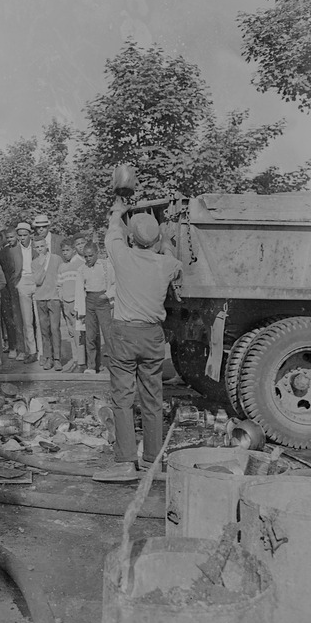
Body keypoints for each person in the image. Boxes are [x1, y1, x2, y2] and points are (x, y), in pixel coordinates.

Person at [96, 204, 183, 482]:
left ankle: (125, 462)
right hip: (152, 335)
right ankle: (153, 460)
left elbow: (113, 234)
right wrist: (166, 241)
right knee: (152, 398)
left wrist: (118, 212)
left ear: (132, 238)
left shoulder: (122, 256)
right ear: (155, 240)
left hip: (124, 333)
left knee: (122, 398)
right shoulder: (167, 263)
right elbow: (171, 256)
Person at [75, 241, 115, 375]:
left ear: (97, 254)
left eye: (90, 256)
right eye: (85, 256)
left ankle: (115, 366)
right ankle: (92, 366)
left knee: (108, 334)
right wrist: (80, 310)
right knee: (90, 335)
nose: (88, 259)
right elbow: (79, 290)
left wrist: (107, 295)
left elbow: (115, 283)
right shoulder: (81, 269)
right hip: (89, 301)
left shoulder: (106, 266)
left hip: (102, 301)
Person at [31, 236, 63, 371]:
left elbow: (61, 277)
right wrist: (42, 264)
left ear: (46, 245)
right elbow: (37, 281)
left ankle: (57, 359)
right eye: (37, 247)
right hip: (41, 298)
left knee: (55, 329)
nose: (40, 249)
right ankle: (48, 358)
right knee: (44, 330)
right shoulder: (35, 262)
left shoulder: (56, 259)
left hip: (54, 298)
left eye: (42, 246)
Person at [10, 222, 39, 363]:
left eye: (25, 235)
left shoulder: (37, 246)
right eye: (20, 235)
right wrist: (17, 283)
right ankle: (32, 351)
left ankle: (45, 353)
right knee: (27, 321)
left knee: (40, 320)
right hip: (22, 282)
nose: (22, 238)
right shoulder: (13, 250)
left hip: (37, 282)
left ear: (30, 235)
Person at [56, 237, 86, 372]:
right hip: (66, 303)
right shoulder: (62, 267)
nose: (65, 253)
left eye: (68, 250)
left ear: (74, 250)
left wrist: (80, 303)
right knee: (71, 332)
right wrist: (62, 299)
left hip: (77, 303)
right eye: (63, 251)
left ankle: (81, 362)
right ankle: (75, 360)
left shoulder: (81, 263)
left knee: (79, 333)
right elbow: (59, 285)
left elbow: (84, 285)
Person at [0, 226, 21, 360]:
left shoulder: (22, 250)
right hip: (7, 288)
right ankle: (12, 346)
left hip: (20, 287)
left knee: (23, 319)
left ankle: (26, 348)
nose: (10, 239)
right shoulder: (4, 252)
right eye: (7, 238)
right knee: (9, 319)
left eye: (12, 237)